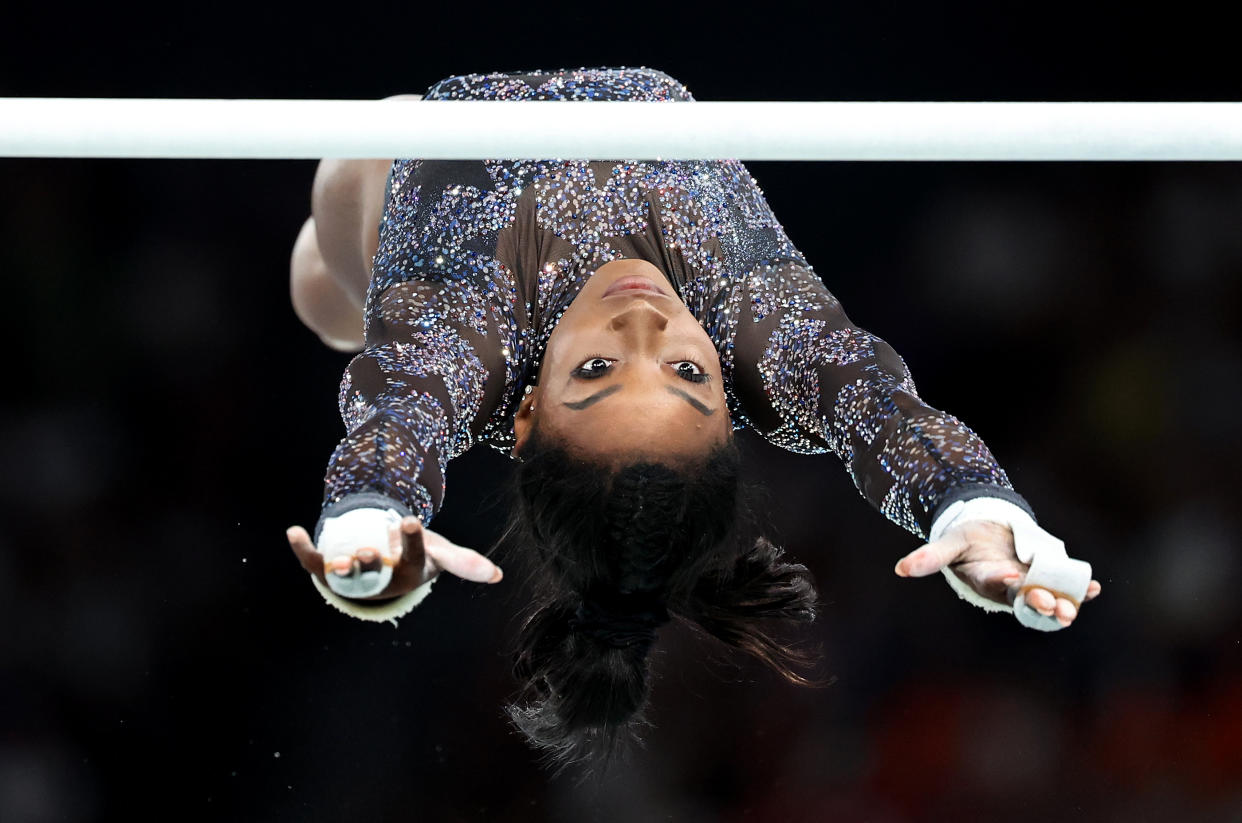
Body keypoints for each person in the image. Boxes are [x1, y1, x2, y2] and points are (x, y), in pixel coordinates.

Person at [284, 67, 1101, 768]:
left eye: (597, 371)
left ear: (527, 410)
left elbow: (397, 424)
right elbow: (884, 413)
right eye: (687, 372)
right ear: (736, 409)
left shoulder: (467, 329)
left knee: (336, 288)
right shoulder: (769, 336)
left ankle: (338, 294)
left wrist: (369, 522)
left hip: (378, 187)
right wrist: (975, 503)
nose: (644, 324)